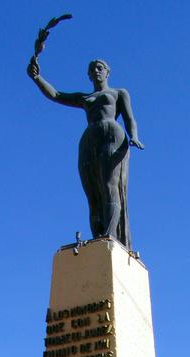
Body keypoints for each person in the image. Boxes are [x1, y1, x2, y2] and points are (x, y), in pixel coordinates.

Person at [27, 58, 144, 250]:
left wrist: (134, 136)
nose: (96, 71)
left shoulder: (118, 93)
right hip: (89, 139)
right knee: (92, 193)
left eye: (100, 68)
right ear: (88, 75)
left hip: (112, 135)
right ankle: (98, 236)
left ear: (108, 72)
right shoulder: (84, 98)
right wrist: (37, 77)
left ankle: (110, 233)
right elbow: (56, 95)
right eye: (92, 69)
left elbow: (130, 118)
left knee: (109, 185)